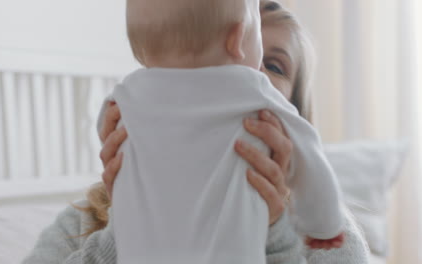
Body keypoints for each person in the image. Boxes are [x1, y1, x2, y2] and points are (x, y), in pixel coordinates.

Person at [22, 1, 370, 263]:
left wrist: (275, 231)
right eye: (205, 58)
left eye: (274, 65)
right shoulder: (85, 219)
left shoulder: (330, 233)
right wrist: (124, 222)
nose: (245, 74)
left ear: (293, 110)